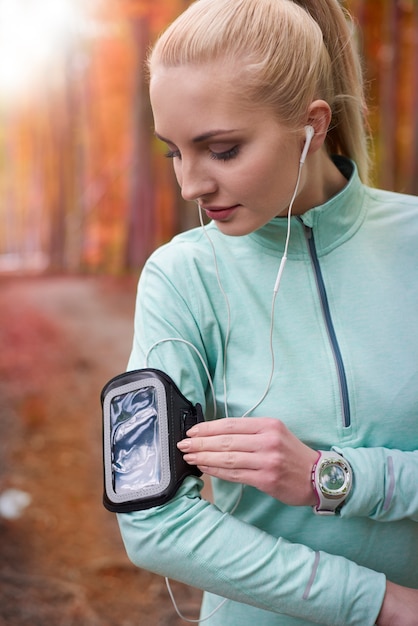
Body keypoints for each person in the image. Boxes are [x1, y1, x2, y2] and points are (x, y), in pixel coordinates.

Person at [115, 0, 418, 623]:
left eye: (221, 150)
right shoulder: (179, 277)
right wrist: (381, 604)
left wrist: (334, 478)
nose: (190, 186)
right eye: (174, 151)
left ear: (311, 124)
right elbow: (150, 520)